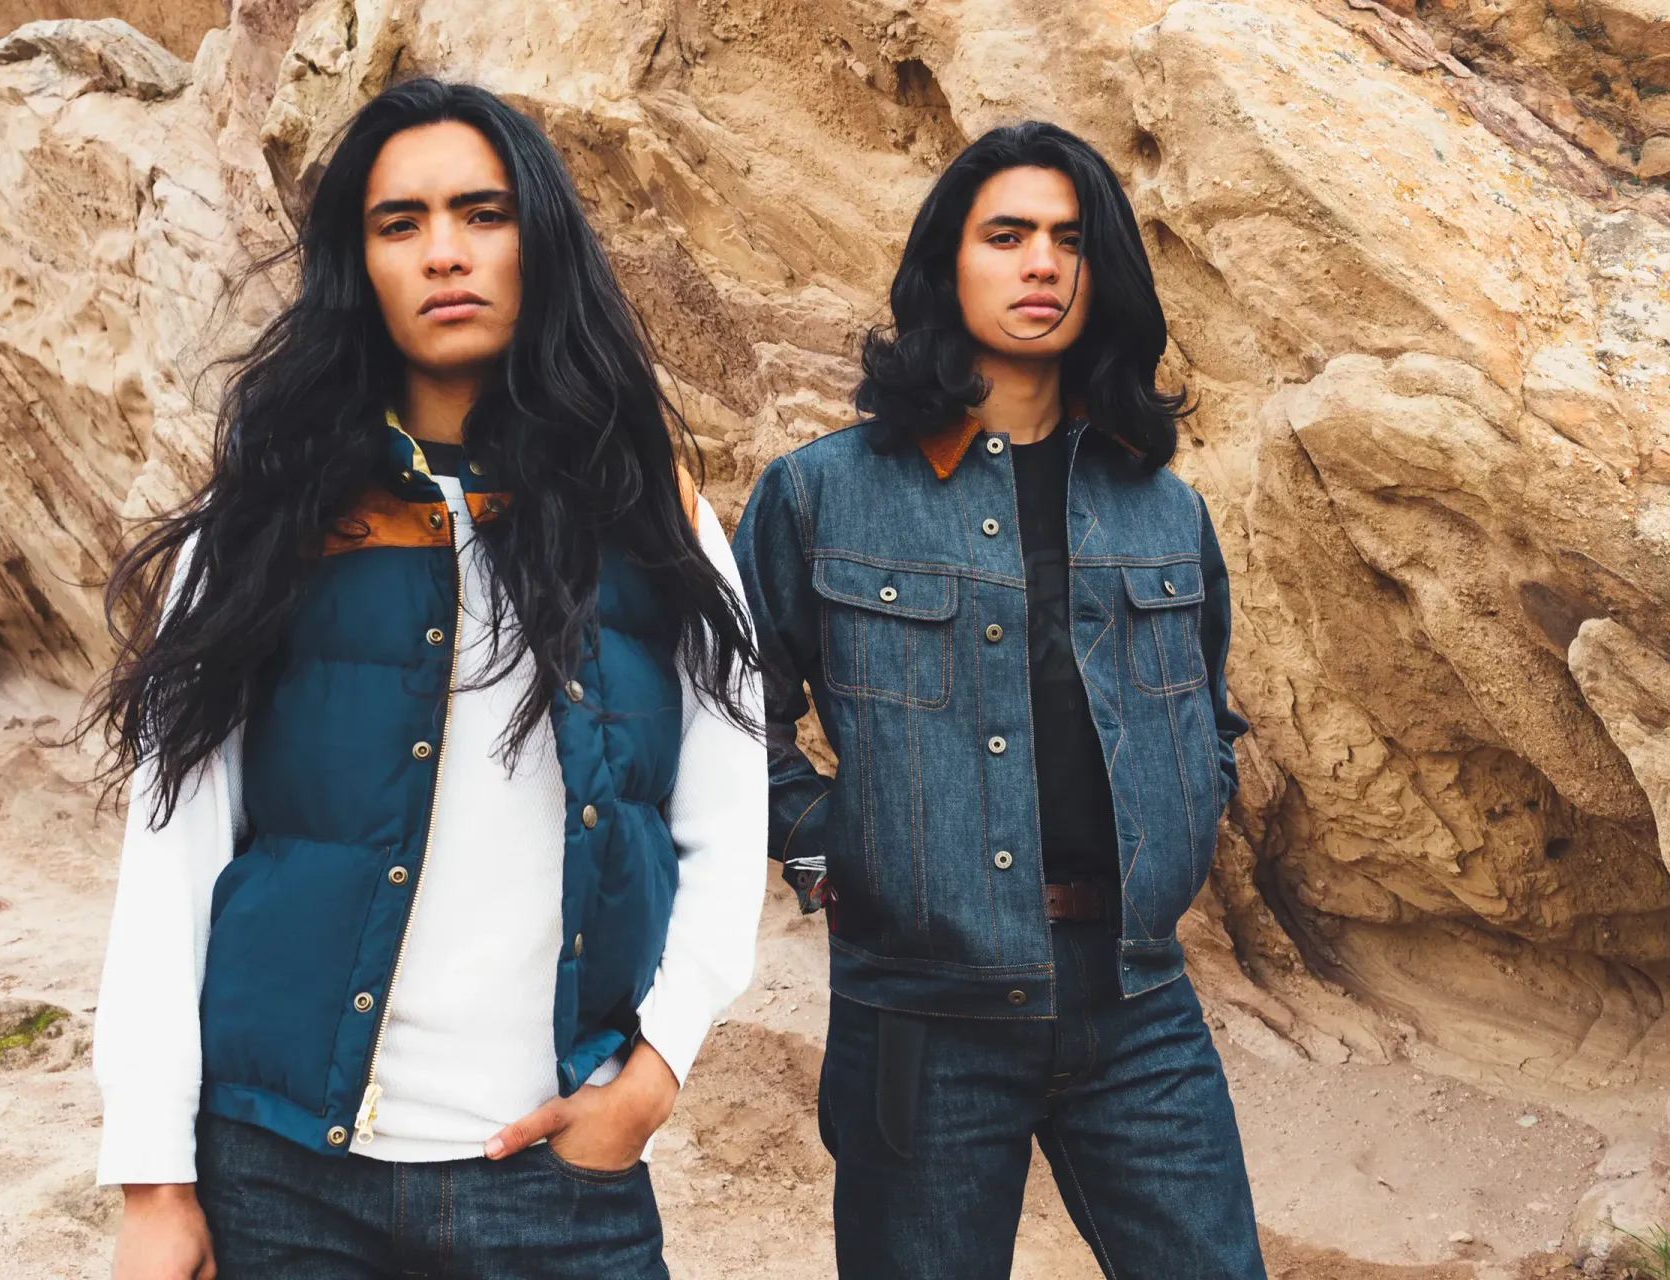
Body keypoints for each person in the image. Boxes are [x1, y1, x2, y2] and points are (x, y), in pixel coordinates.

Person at [87, 78, 766, 1280]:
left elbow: (722, 824)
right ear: (360, 263)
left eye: (481, 212)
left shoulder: (651, 516)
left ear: (539, 240)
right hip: (283, 1175)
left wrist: (652, 1076)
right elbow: (173, 848)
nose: (443, 252)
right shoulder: (265, 524)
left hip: (561, 1183)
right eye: (400, 224)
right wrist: (154, 1179)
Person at [733, 121, 1265, 1279]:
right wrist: (837, 843)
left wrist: (1192, 813)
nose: (1041, 265)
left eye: (1070, 240)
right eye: (1007, 234)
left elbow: (1208, 712)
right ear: (947, 265)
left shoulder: (1160, 506)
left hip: (1137, 1001)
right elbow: (729, 714)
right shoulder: (821, 492)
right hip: (921, 1013)